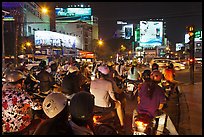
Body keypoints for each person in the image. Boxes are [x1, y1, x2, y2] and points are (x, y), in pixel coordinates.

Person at [90, 65, 125, 131]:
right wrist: (116, 100)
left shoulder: (92, 82)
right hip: (105, 107)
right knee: (119, 104)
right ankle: (122, 124)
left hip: (95, 106)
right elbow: (113, 97)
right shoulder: (109, 83)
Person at [2, 70, 34, 134]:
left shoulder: (3, 93)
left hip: (6, 128)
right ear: (21, 82)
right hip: (20, 128)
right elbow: (33, 106)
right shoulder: (21, 94)